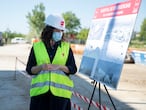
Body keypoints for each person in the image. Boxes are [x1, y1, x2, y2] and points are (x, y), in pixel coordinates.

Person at [26, 14, 77, 110]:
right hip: (40, 95)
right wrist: (41, 67)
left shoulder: (66, 47)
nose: (60, 33)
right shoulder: (37, 47)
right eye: (58, 30)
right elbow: (29, 69)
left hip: (60, 97)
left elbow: (73, 69)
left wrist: (60, 66)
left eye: (62, 31)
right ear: (49, 30)